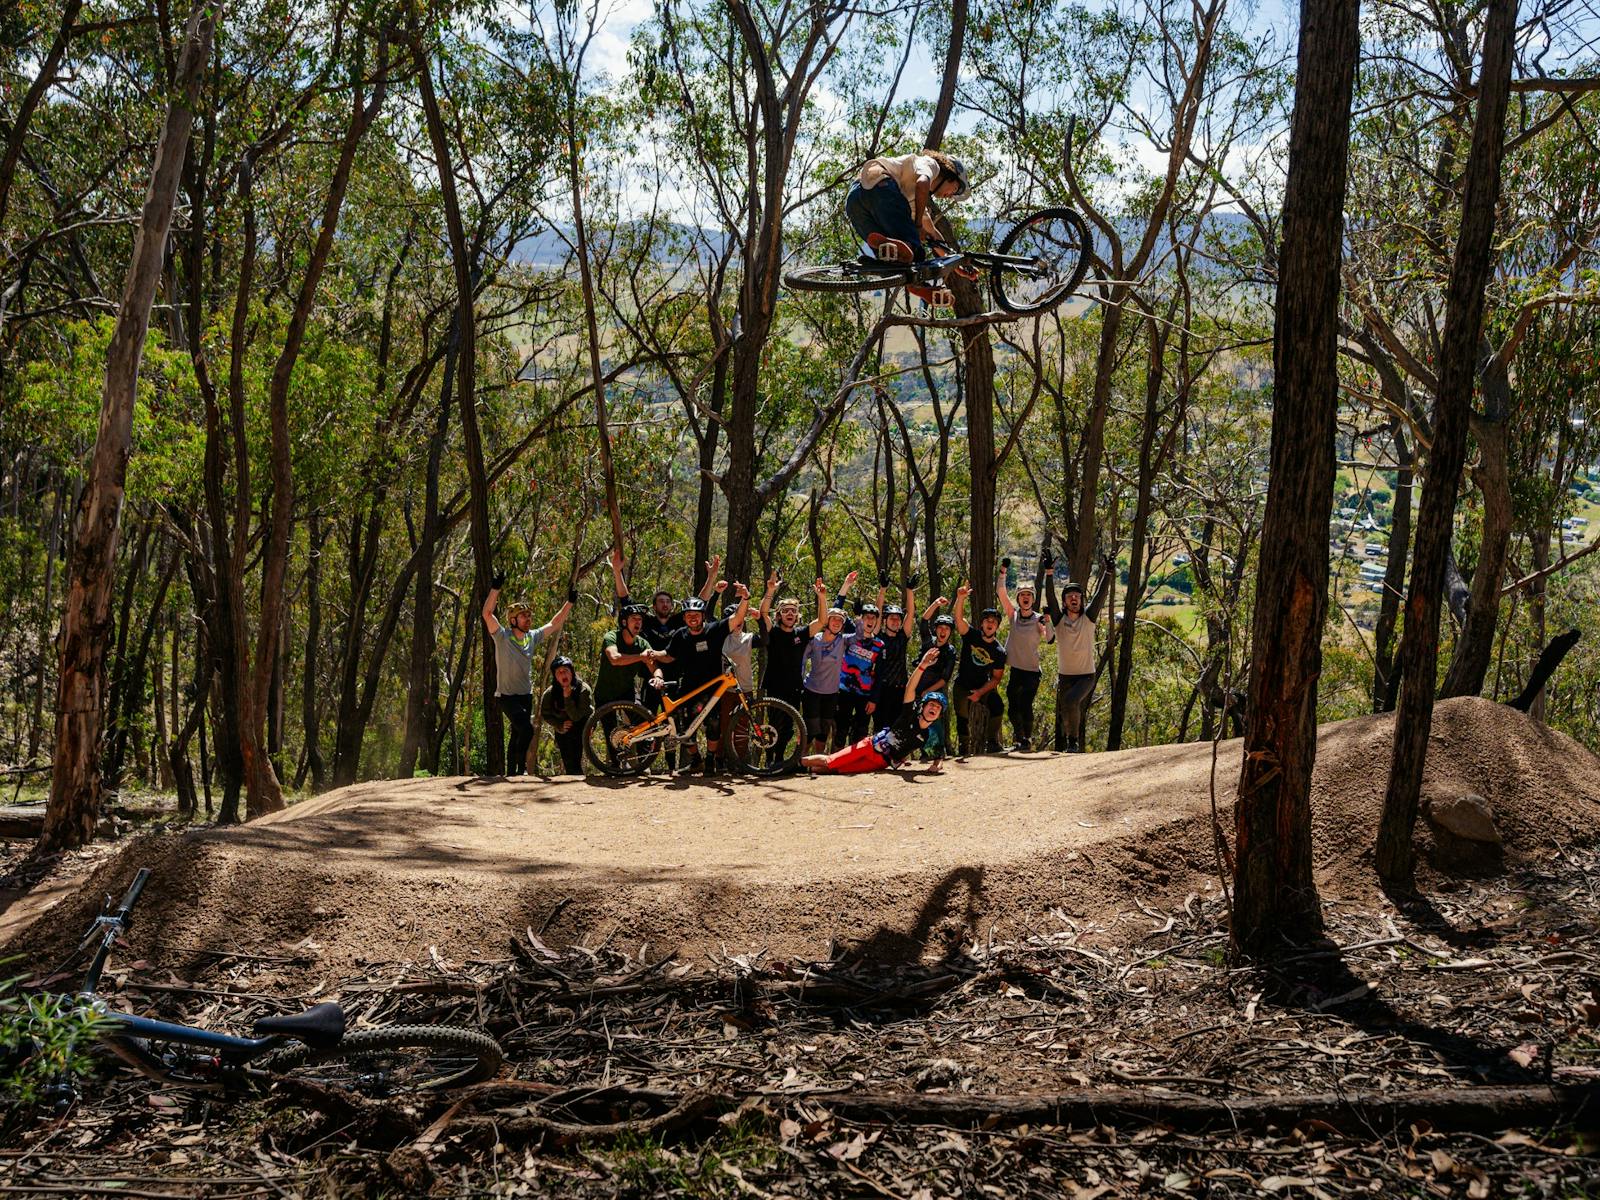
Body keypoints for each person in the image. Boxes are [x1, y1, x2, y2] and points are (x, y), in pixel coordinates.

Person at [845, 149, 972, 305]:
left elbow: (933, 234)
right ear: (950, 174)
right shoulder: (932, 165)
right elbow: (923, 183)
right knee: (915, 251)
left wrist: (955, 264)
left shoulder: (912, 199)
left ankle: (882, 264)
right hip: (881, 186)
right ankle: (915, 283)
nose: (952, 195)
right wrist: (917, 224)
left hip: (854, 201)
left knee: (892, 261)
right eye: (957, 189)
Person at [648, 586, 751, 775]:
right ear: (685, 618)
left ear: (703, 615)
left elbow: (737, 619)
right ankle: (696, 761)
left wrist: (745, 598)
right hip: (687, 689)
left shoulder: (715, 629)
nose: (692, 618)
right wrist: (654, 653)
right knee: (684, 728)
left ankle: (710, 761)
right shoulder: (680, 635)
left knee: (713, 725)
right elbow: (669, 655)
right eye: (688, 615)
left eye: (696, 614)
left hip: (712, 688)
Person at [482, 570, 573, 775]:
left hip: (526, 695)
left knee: (517, 734)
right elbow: (487, 614)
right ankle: (520, 769)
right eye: (524, 616)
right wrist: (495, 589)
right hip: (506, 697)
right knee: (527, 729)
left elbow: (554, 623)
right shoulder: (502, 637)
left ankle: (511, 774)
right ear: (513, 620)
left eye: (529, 616)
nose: (528, 619)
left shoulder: (532, 637)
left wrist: (569, 602)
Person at [1043, 553, 1116, 753]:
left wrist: (1108, 573)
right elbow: (1050, 597)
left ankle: (1073, 743)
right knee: (1066, 711)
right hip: (1065, 676)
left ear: (1081, 601)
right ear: (1064, 602)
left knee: (1070, 701)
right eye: (1069, 597)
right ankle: (1069, 743)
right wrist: (1049, 573)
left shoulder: (1088, 618)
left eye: (1077, 596)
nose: (1074, 599)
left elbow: (1100, 596)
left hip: (1086, 676)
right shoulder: (1058, 620)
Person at [718, 577, 776, 768]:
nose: (739, 622)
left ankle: (740, 764)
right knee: (723, 727)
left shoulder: (749, 638)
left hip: (745, 688)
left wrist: (760, 619)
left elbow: (766, 639)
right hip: (724, 691)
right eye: (735, 618)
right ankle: (719, 762)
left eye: (742, 619)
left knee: (742, 727)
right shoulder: (719, 638)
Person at [997, 557, 1052, 751]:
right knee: (1012, 706)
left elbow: (1049, 638)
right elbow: (1001, 593)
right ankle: (1020, 738)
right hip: (1016, 669)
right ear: (1019, 599)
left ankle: (1026, 739)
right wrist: (1003, 571)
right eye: (1022, 595)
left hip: (1032, 671)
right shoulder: (1013, 616)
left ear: (1033, 599)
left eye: (1029, 595)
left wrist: (1048, 621)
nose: (1025, 597)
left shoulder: (1039, 619)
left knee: (1026, 704)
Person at [759, 577, 815, 763]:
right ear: (780, 615)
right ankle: (769, 759)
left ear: (797, 615)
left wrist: (821, 597)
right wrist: (770, 591)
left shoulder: (801, 633)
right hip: (774, 685)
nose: (790, 614)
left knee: (789, 727)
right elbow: (763, 612)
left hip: (794, 686)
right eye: (785, 611)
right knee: (774, 724)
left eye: (793, 611)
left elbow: (822, 621)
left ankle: (780, 759)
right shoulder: (773, 632)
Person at [832, 570, 887, 748]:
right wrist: (846, 585)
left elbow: (880, 675)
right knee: (841, 727)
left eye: (873, 618)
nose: (870, 621)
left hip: (865, 694)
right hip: (844, 690)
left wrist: (874, 699)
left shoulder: (879, 645)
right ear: (861, 619)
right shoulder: (850, 633)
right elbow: (836, 611)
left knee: (861, 730)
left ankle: (856, 764)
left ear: (877, 621)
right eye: (866, 617)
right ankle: (834, 763)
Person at [951, 584, 1006, 758]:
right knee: (962, 716)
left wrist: (980, 692)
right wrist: (960, 598)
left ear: (997, 626)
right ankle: (964, 748)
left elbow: (996, 678)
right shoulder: (971, 635)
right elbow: (959, 620)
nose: (990, 624)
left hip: (982, 686)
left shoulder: (999, 652)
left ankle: (992, 742)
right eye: (987, 620)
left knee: (997, 705)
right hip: (963, 683)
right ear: (982, 623)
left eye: (994, 622)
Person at [802, 579, 850, 753]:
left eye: (840, 621)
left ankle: (818, 763)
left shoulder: (844, 641)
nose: (836, 622)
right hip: (811, 691)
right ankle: (799, 763)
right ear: (827, 621)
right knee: (809, 729)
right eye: (833, 619)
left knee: (823, 732)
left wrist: (846, 587)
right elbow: (801, 661)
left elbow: (866, 633)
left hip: (831, 693)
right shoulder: (814, 640)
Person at [872, 573, 916, 733]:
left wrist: (910, 590)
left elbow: (910, 613)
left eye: (898, 619)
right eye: (892, 618)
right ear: (884, 621)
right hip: (881, 690)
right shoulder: (878, 637)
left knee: (897, 728)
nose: (896, 621)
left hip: (900, 689)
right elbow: (876, 611)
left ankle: (896, 757)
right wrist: (883, 589)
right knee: (879, 728)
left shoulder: (902, 637)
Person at [916, 595, 958, 759]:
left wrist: (927, 692)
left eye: (947, 629)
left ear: (950, 632)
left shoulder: (950, 651)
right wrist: (935, 604)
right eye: (940, 627)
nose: (943, 631)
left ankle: (936, 752)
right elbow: (924, 621)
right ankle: (920, 751)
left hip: (934, 691)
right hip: (917, 687)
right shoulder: (928, 642)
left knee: (934, 721)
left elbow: (944, 679)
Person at [539, 656, 594, 775]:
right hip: (563, 726)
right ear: (555, 676)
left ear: (572, 672)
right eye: (559, 672)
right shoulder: (549, 693)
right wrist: (559, 725)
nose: (563, 674)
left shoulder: (583, 689)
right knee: (568, 760)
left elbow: (577, 716)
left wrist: (567, 697)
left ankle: (577, 775)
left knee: (576, 756)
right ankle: (572, 776)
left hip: (581, 724)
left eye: (565, 670)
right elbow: (546, 714)